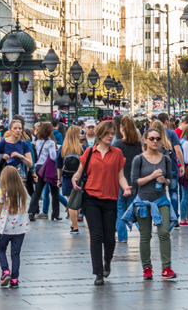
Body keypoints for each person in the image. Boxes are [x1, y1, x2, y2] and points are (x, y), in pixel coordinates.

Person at [71, 120, 132, 286]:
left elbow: (121, 176)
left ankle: (107, 261)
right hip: (91, 199)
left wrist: (126, 188)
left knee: (109, 238)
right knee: (96, 236)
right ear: (100, 134)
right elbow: (79, 172)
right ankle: (98, 272)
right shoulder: (89, 152)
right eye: (108, 133)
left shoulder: (117, 153)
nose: (110, 136)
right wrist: (74, 178)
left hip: (110, 199)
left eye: (113, 133)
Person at [128, 127, 177, 280]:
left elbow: (170, 180)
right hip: (143, 202)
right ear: (145, 140)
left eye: (158, 138)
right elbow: (134, 182)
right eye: (152, 139)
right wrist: (152, 176)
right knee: (145, 235)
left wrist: (165, 181)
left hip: (161, 200)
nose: (155, 141)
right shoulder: (139, 159)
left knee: (164, 233)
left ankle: (166, 268)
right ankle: (147, 268)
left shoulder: (166, 159)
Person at [0, 166, 31, 288]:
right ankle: (15, 280)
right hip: (20, 229)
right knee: (15, 254)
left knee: (1, 250)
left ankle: (5, 272)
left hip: (6, 228)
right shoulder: (23, 191)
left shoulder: (3, 193)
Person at [113, 116, 142, 242]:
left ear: (122, 128)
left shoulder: (118, 144)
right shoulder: (138, 144)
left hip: (121, 180)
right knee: (135, 209)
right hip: (135, 181)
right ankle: (144, 232)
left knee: (121, 209)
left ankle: (122, 236)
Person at [27, 123, 60, 221]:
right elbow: (53, 157)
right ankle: (55, 214)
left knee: (37, 192)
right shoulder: (51, 143)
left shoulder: (38, 141)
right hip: (48, 169)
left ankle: (31, 211)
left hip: (39, 167)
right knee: (54, 192)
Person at [156, 113, 185, 220]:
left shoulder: (152, 134)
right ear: (167, 121)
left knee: (158, 192)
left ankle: (159, 218)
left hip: (156, 168)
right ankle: (174, 218)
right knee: (173, 192)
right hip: (171, 167)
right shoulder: (172, 134)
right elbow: (178, 150)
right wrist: (182, 165)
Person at [58, 125, 86, 234]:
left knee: (71, 202)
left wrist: (58, 179)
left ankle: (74, 226)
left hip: (66, 177)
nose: (81, 135)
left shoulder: (63, 148)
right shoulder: (83, 148)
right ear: (75, 135)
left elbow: (59, 165)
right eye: (80, 133)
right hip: (80, 178)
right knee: (77, 201)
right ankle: (74, 224)